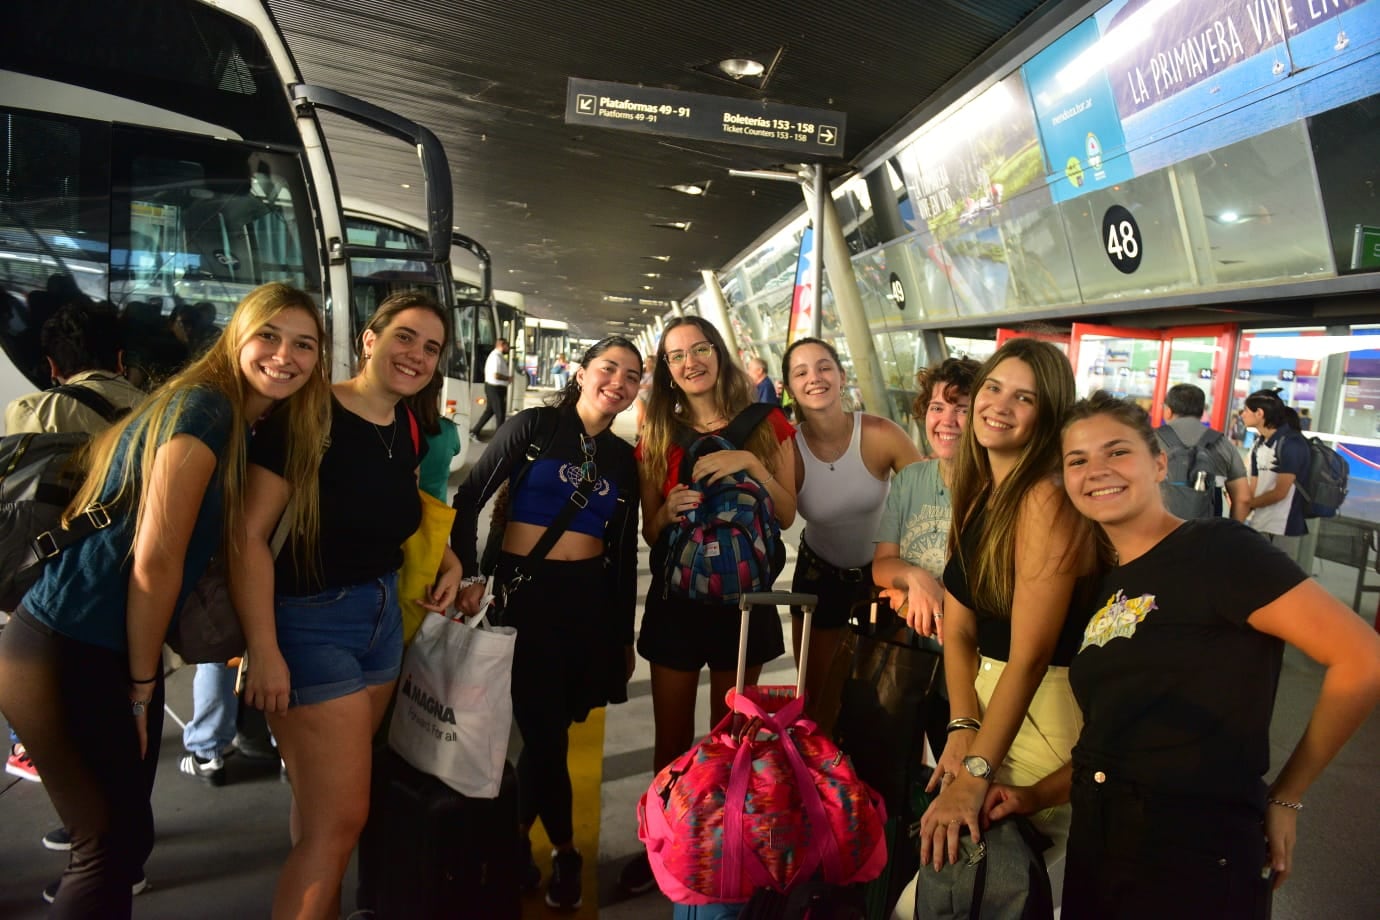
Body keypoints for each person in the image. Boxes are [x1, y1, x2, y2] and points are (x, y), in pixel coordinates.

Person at [0, 282, 330, 917]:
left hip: (70, 644)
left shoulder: (227, 414)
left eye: (304, 344)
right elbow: (154, 562)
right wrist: (143, 689)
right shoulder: (206, 411)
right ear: (237, 335)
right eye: (269, 335)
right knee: (105, 855)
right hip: (67, 649)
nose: (284, 355)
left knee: (113, 850)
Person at [983, 392, 1380, 918]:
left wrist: (1287, 795)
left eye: (1116, 452)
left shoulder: (1219, 550)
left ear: (1159, 462)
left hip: (1195, 854)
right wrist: (1035, 796)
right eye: (1077, 460)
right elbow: (1116, 740)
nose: (1096, 470)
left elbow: (1362, 658)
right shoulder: (1108, 584)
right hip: (1103, 846)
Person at [235, 291, 462, 920]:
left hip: (382, 619)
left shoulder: (407, 426)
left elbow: (402, 508)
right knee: (343, 818)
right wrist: (263, 650)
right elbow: (249, 535)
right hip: (309, 622)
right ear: (369, 338)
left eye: (430, 347)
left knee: (320, 807)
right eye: (405, 337)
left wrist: (448, 560)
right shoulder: (307, 415)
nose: (416, 355)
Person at [451, 336, 644, 910]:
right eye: (608, 367)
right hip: (524, 597)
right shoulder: (533, 427)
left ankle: (513, 843)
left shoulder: (621, 459)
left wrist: (621, 636)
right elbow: (468, 499)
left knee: (546, 735)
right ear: (582, 373)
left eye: (632, 375)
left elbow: (624, 552)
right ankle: (564, 849)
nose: (619, 381)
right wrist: (468, 576)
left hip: (585, 607)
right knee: (544, 734)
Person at [620, 315, 797, 897]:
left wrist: (750, 466)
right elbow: (650, 531)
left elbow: (788, 512)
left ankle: (727, 848)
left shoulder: (767, 424)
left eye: (700, 350)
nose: (690, 362)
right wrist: (667, 509)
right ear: (667, 370)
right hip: (678, 601)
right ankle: (664, 848)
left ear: (719, 355)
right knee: (671, 737)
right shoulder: (658, 432)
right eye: (676, 356)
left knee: (735, 736)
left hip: (746, 602)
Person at [918, 338, 1099, 880]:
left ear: (1048, 417)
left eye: (1024, 398)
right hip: (983, 709)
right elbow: (959, 629)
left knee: (986, 886)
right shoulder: (980, 491)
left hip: (1036, 716)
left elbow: (1031, 655)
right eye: (993, 388)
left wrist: (977, 771)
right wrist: (961, 723)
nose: (999, 404)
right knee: (951, 884)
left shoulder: (1045, 498)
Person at [784, 336, 921, 705]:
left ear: (841, 376)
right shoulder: (788, 447)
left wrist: (917, 573)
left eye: (824, 367)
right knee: (814, 699)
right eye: (801, 372)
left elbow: (928, 498)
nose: (815, 377)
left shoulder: (880, 433)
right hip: (819, 578)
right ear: (790, 388)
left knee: (885, 697)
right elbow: (780, 517)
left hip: (880, 577)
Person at [872, 356, 981, 760]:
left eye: (962, 409)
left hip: (973, 667)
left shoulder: (995, 488)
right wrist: (915, 580)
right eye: (937, 407)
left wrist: (912, 597)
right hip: (913, 660)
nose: (946, 420)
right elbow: (882, 564)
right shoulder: (911, 479)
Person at [1156, 382, 1250, 521]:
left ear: (1168, 411)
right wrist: (1231, 535)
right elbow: (1243, 498)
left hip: (1155, 533)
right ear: (1201, 413)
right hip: (1206, 534)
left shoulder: (1150, 440)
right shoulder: (1222, 444)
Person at [1239, 388, 1309, 555]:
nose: (1242, 414)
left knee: (1282, 579)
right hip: (1258, 524)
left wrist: (1247, 504)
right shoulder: (1259, 444)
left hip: (1282, 528)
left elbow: (1280, 492)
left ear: (1259, 413)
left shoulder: (1292, 444)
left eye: (1246, 410)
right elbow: (1252, 489)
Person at [418, 382, 461, 502]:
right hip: (436, 511)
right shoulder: (448, 428)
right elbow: (456, 450)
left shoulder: (398, 428)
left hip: (402, 511)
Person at [470, 337, 512, 439]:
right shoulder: (496, 357)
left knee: (490, 411)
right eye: (507, 346)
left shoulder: (498, 356)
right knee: (500, 414)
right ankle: (499, 439)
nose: (509, 348)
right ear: (502, 345)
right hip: (495, 388)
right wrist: (508, 378)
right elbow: (496, 375)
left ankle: (474, 432)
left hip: (495, 388)